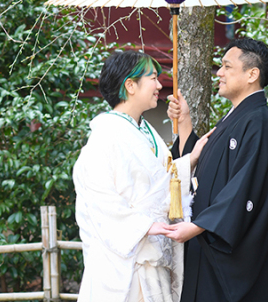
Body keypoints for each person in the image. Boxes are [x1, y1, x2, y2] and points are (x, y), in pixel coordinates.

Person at [73, 50, 209, 302]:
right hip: (128, 255)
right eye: (153, 78)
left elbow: (158, 180)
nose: (159, 85)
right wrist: (143, 225)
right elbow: (98, 196)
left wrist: (190, 159)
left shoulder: (144, 130)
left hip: (153, 250)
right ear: (130, 85)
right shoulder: (106, 135)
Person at [166, 38, 268, 302]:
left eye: (227, 67)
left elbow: (245, 188)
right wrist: (184, 122)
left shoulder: (260, 122)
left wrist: (197, 227)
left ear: (252, 74)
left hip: (228, 251)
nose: (219, 73)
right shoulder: (237, 118)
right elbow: (203, 167)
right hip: (205, 245)